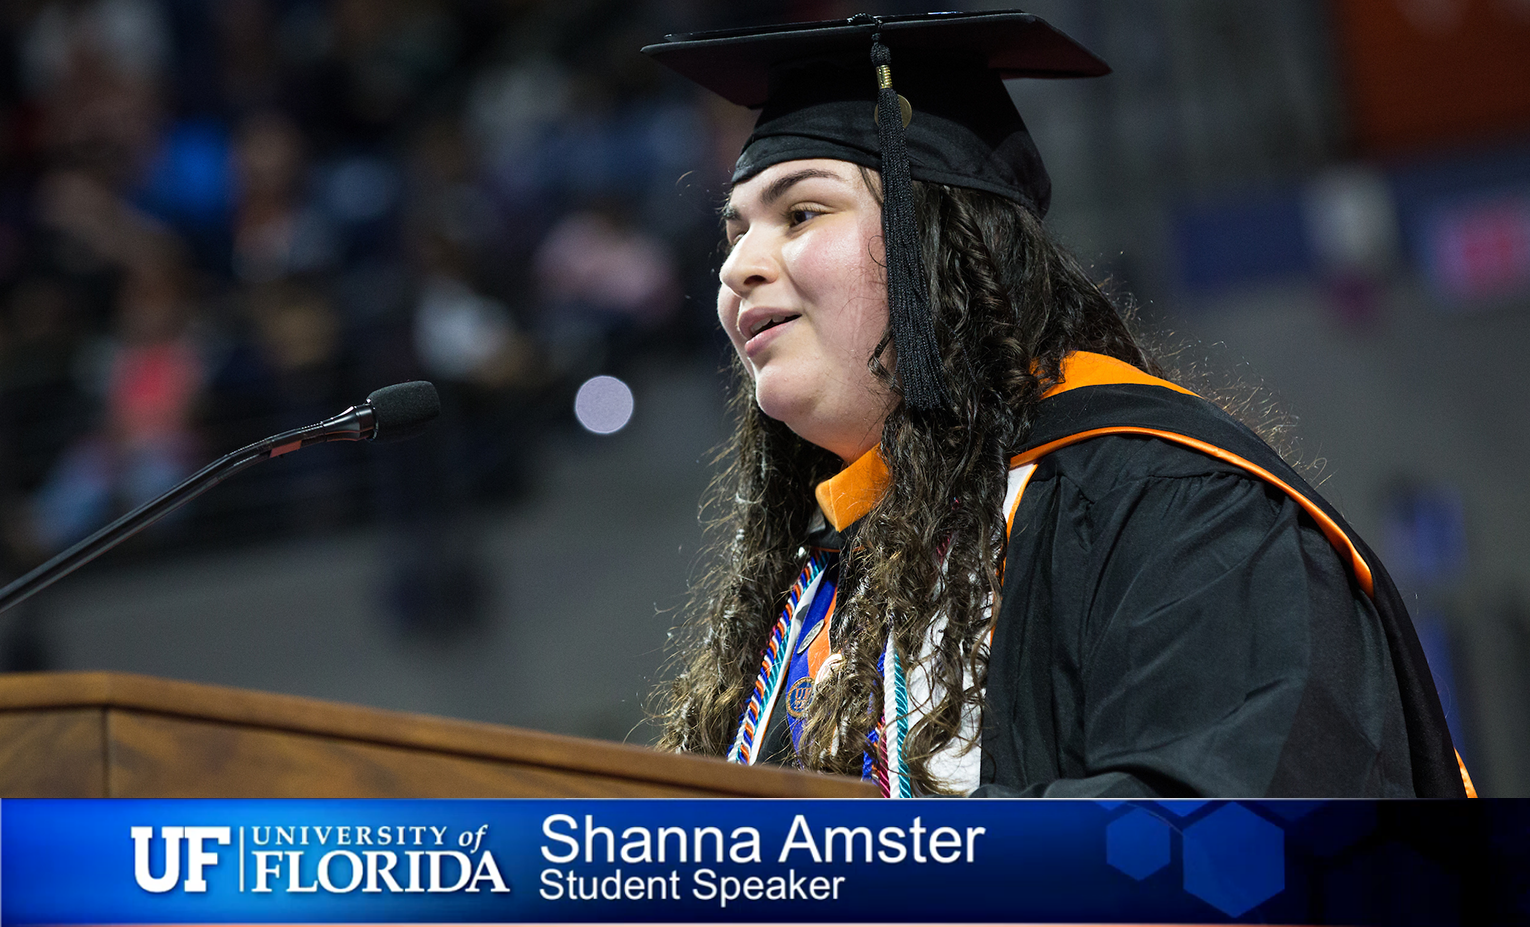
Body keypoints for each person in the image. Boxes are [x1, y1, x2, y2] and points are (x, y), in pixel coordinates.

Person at [644, 11, 1470, 798]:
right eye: (732, 232)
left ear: (942, 243)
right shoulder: (828, 595)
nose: (738, 266)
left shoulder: (1173, 510)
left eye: (800, 212)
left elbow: (1234, 842)